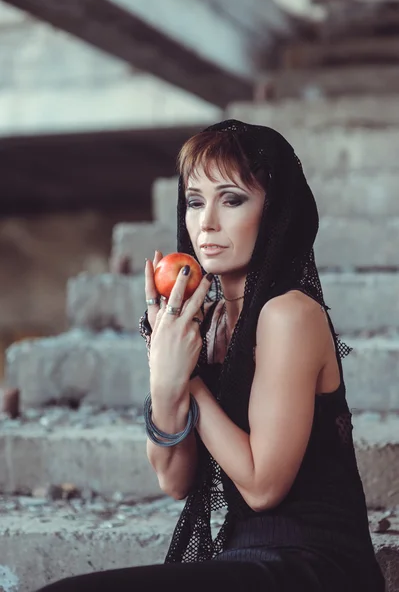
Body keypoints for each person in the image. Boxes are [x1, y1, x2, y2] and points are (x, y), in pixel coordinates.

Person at [34, 120, 386, 591]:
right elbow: (174, 480)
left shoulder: (289, 314)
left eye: (233, 199)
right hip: (246, 556)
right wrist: (166, 377)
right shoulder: (212, 320)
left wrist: (189, 378)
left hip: (311, 563)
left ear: (275, 211)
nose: (207, 223)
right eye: (196, 201)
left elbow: (262, 488)